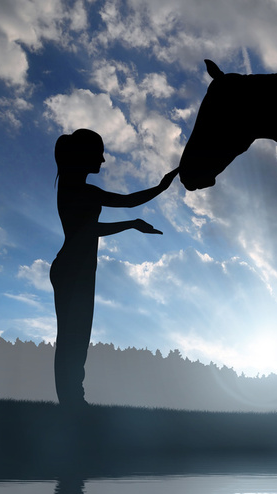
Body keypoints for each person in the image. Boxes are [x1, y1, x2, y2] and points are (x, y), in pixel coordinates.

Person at [51, 128, 178, 407]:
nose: (103, 161)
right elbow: (88, 230)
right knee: (73, 335)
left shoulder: (84, 191)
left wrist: (161, 187)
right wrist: (132, 224)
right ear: (84, 156)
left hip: (80, 268)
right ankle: (71, 399)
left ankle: (74, 397)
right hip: (73, 267)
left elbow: (127, 201)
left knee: (78, 335)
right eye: (99, 154)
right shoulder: (77, 191)